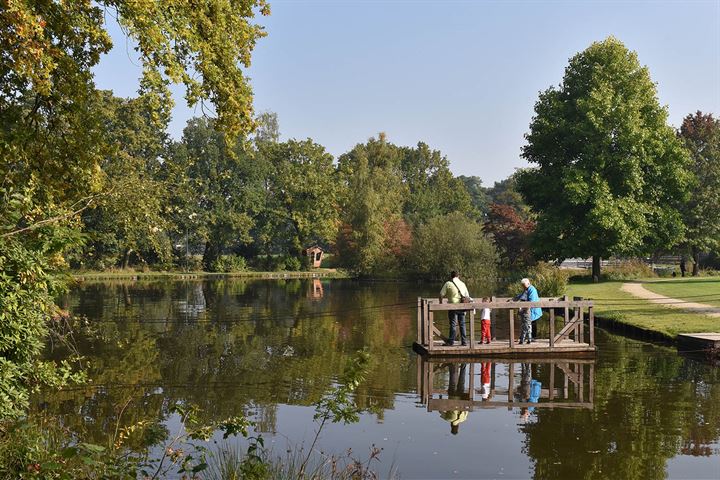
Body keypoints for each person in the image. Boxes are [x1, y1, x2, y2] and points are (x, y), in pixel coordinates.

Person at [439, 271, 471, 346]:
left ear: (451, 276)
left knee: (453, 324)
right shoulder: (463, 284)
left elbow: (441, 294)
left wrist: (440, 303)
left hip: (452, 306)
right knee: (462, 324)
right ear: (458, 276)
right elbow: (467, 296)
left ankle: (451, 341)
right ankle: (464, 341)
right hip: (462, 305)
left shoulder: (448, 283)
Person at [512, 278, 541, 344]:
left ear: (528, 283)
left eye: (524, 285)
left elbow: (531, 301)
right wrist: (515, 298)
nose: (523, 287)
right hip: (528, 309)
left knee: (532, 322)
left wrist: (523, 307)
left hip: (533, 309)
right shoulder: (527, 288)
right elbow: (522, 295)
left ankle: (532, 337)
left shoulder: (532, 289)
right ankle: (525, 338)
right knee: (527, 323)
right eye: (523, 286)